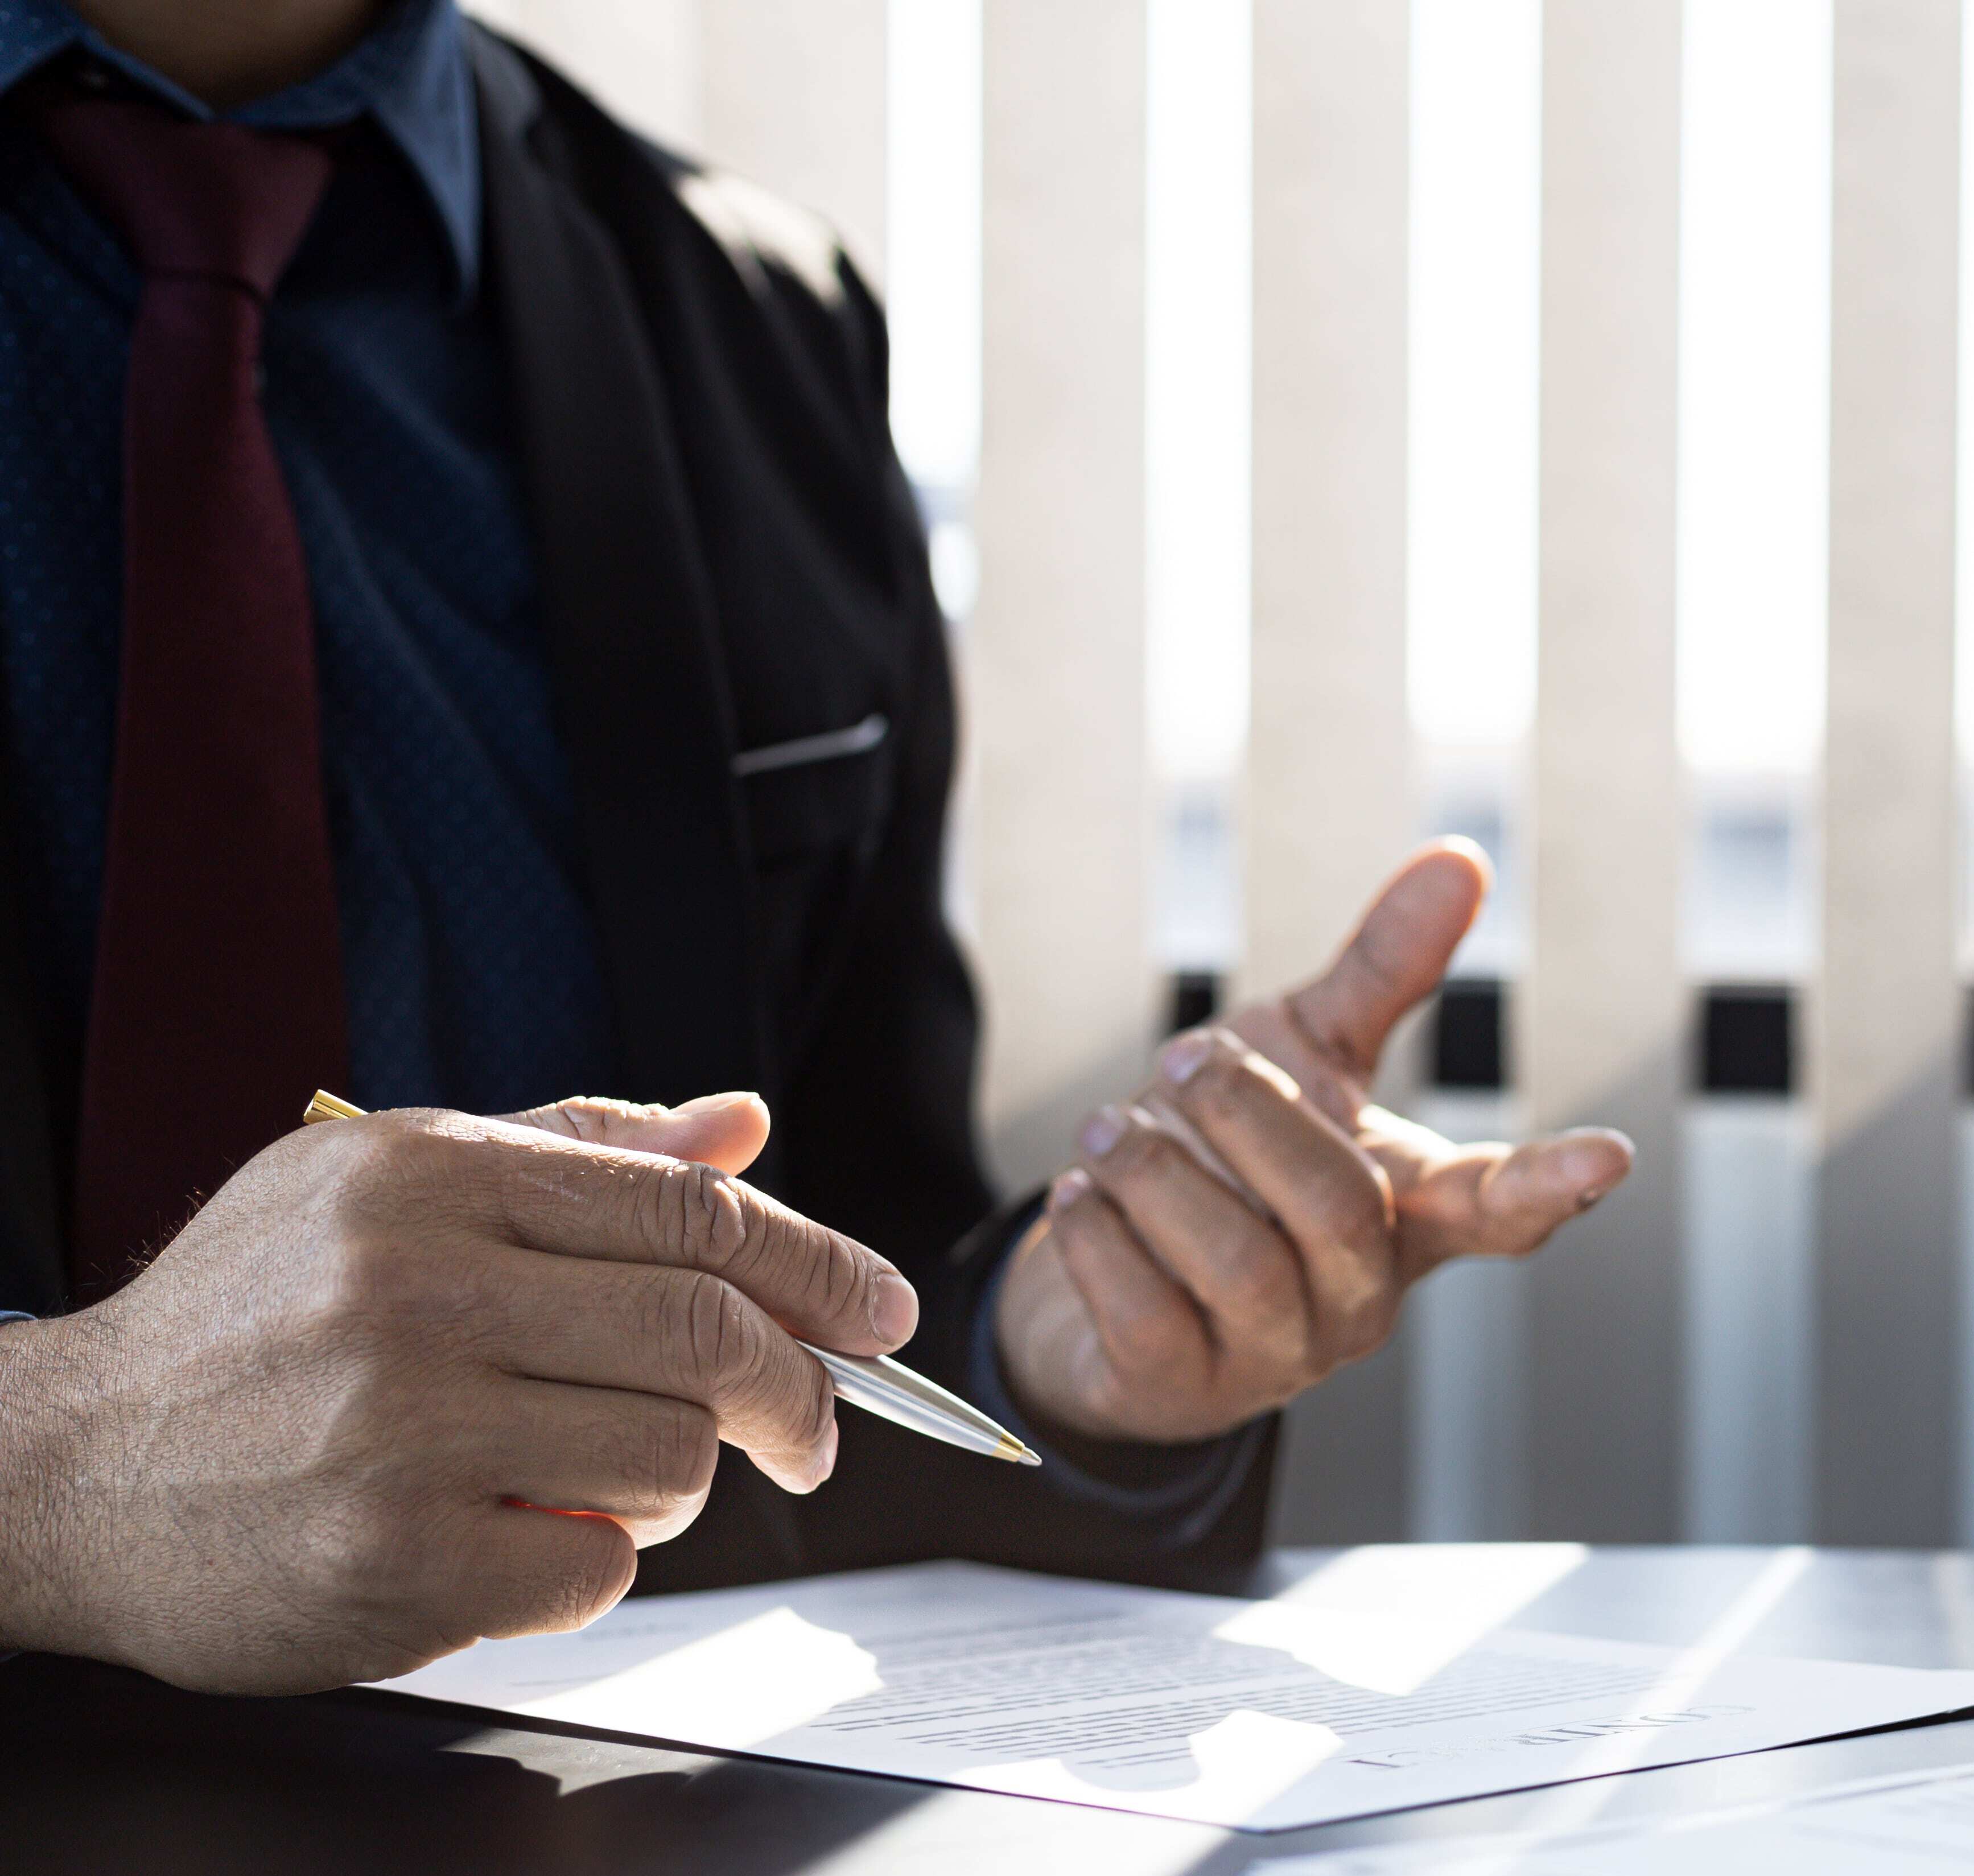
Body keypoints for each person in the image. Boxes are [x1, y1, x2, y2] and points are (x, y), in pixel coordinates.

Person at [0, 0, 1627, 1695]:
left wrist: (1061, 1362)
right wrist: (56, 1468)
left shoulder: (760, 321)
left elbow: (838, 1261)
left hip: (594, 1869)